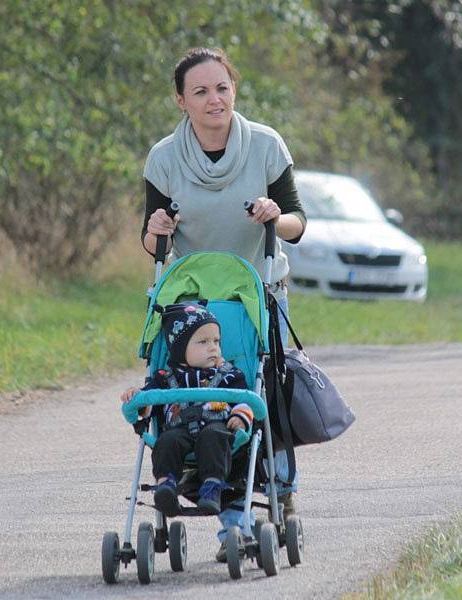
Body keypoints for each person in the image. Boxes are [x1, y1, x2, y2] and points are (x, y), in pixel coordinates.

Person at [139, 47, 306, 561]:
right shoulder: (165, 158)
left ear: (234, 90)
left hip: (256, 291)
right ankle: (184, 472)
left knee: (264, 385)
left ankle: (278, 485)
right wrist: (155, 228)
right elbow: (153, 245)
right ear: (181, 101)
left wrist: (276, 215)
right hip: (190, 300)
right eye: (201, 91)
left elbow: (298, 226)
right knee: (180, 393)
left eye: (223, 88)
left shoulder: (265, 146)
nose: (215, 100)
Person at [121, 302, 253, 516]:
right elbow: (147, 405)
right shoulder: (166, 378)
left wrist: (241, 415)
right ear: (180, 349)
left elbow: (245, 399)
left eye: (216, 341)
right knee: (166, 442)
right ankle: (166, 486)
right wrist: (137, 397)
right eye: (203, 342)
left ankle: (212, 487)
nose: (213, 347)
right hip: (179, 430)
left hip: (216, 425)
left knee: (214, 436)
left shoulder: (228, 374)